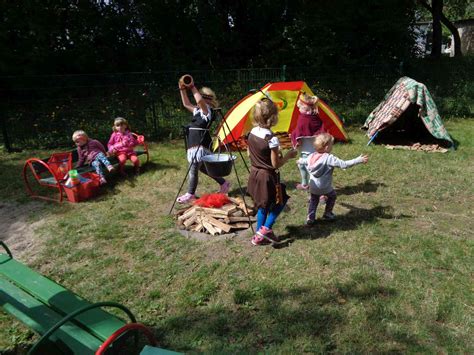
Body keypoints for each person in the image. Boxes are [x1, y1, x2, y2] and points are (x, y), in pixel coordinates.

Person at [247, 98, 297, 245]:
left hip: (254, 173)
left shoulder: (251, 132)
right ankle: (265, 229)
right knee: (280, 201)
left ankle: (258, 236)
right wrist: (288, 155)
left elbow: (250, 154)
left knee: (263, 205)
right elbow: (276, 164)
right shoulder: (271, 138)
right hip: (267, 176)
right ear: (273, 117)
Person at [176, 75, 230, 204]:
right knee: (204, 168)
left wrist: (192, 87)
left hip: (200, 144)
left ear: (208, 101)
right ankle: (224, 183)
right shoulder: (198, 111)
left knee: (193, 169)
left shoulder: (208, 111)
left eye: (201, 97)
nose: (199, 100)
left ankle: (190, 194)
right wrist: (182, 89)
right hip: (195, 143)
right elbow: (186, 103)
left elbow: (200, 102)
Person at [306, 133, 369, 225]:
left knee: (313, 200)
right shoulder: (329, 158)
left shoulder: (310, 157)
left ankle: (310, 218)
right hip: (325, 187)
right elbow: (344, 164)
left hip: (313, 186)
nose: (332, 146)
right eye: (332, 144)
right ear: (327, 147)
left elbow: (304, 161)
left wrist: (300, 161)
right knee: (332, 196)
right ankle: (328, 213)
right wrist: (358, 160)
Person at [290, 93, 326, 190]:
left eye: (300, 107)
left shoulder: (303, 118)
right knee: (303, 166)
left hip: (307, 149)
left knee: (309, 168)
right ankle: (305, 184)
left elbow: (299, 133)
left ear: (306, 108)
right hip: (314, 148)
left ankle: (318, 190)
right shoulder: (315, 116)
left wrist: (295, 138)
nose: (298, 110)